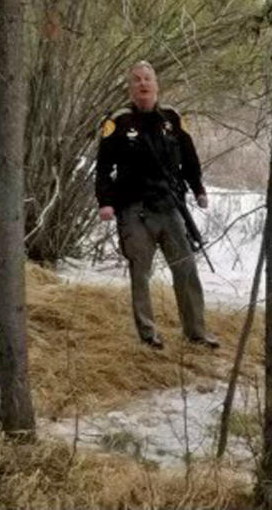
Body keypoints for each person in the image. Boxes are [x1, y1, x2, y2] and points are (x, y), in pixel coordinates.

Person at [95, 61, 218, 350]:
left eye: (147, 79)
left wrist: (198, 189)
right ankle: (148, 335)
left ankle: (196, 332)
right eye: (136, 80)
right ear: (130, 87)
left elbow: (190, 159)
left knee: (186, 268)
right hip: (134, 209)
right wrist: (105, 202)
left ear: (156, 84)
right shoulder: (118, 122)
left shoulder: (172, 119)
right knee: (141, 272)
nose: (142, 84)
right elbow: (103, 168)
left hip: (170, 205)